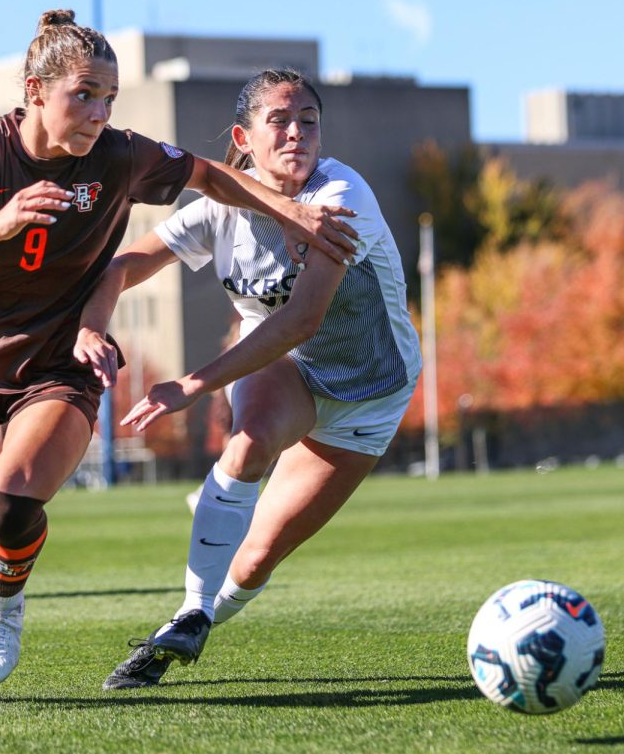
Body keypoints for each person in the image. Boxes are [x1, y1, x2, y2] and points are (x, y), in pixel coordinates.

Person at [0, 12, 359, 711]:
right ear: (36, 90)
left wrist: (291, 213)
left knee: (11, 497)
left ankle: (2, 604)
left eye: (110, 98)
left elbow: (210, 177)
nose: (99, 113)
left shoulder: (119, 156)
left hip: (60, 363)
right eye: (84, 95)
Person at [74, 68, 422, 690]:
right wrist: (92, 327)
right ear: (245, 136)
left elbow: (301, 317)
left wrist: (192, 384)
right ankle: (188, 610)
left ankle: (192, 624)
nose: (297, 133)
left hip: (374, 395)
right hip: (290, 368)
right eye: (279, 122)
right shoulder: (216, 212)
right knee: (249, 439)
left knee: (257, 557)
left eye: (308, 121)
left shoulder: (341, 197)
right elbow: (125, 265)